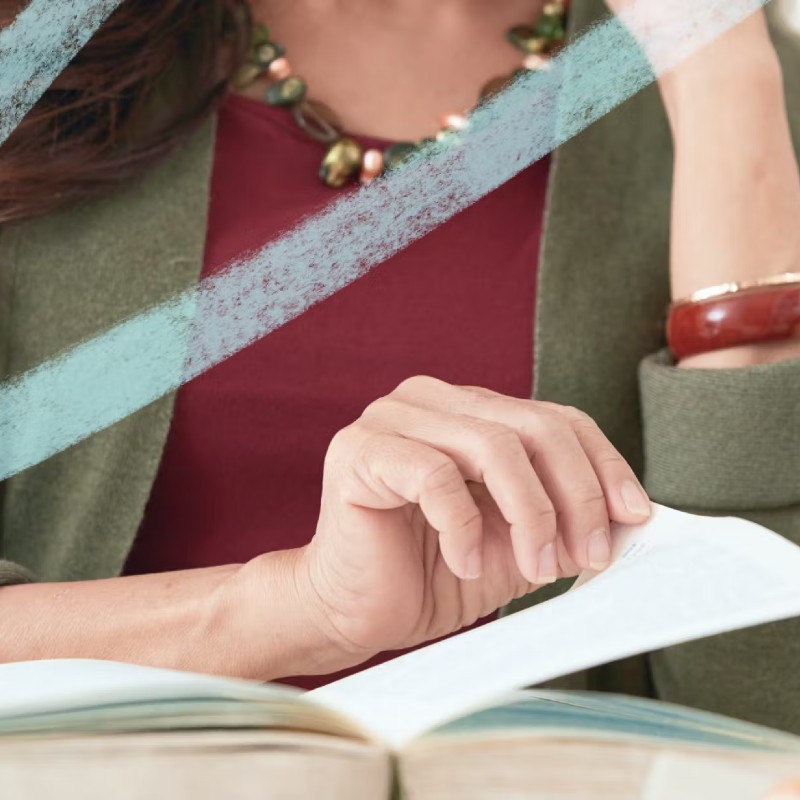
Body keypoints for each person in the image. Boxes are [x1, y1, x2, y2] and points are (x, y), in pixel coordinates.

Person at [1, 0, 799, 731]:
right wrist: (292, 609)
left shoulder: (753, 93)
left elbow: (763, 709)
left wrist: (722, 77)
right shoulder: (37, 53)